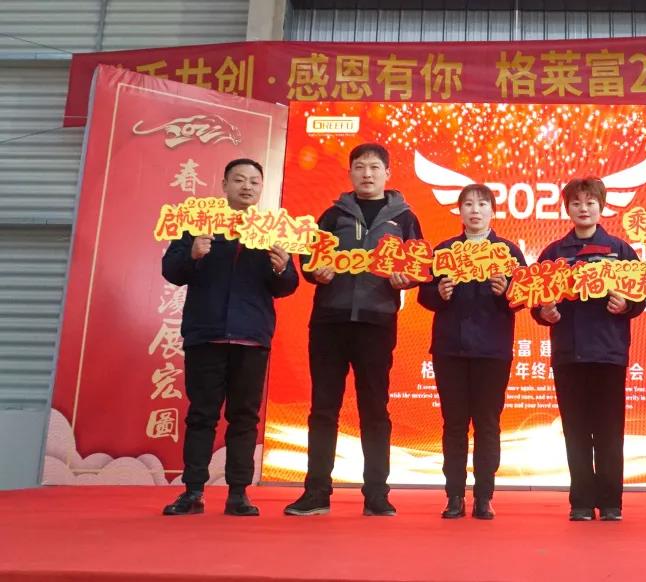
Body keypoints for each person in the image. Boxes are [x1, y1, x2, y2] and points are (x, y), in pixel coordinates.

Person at [285, 143, 423, 517]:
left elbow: (418, 263)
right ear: (349, 173)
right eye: (360, 167)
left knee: (374, 409)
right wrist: (316, 271)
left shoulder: (404, 218)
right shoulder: (332, 215)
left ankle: (377, 494)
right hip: (330, 322)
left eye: (374, 167)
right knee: (323, 409)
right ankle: (316, 492)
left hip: (376, 323)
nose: (367, 173)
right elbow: (310, 257)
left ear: (387, 173)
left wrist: (406, 279)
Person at [161, 158, 299, 517]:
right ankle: (192, 491)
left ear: (261, 188)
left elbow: (288, 286)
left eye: (254, 181)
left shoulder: (272, 229)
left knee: (245, 418)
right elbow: (171, 270)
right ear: (224, 185)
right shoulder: (199, 222)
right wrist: (193, 255)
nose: (247, 186)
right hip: (206, 334)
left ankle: (239, 493)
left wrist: (282, 266)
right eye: (239, 180)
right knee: (201, 415)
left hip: (251, 337)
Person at [532, 177, 646, 522]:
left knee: (610, 431)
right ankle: (580, 501)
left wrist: (626, 305)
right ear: (567, 208)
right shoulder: (554, 253)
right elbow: (537, 301)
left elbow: (640, 298)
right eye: (577, 203)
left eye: (590, 203)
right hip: (569, 354)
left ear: (601, 206)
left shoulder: (620, 250)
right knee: (576, 431)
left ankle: (611, 502)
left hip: (609, 353)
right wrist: (545, 312)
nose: (584, 209)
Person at [418, 184, 527, 520]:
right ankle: (454, 496)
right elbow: (424, 295)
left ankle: (484, 497)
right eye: (468, 204)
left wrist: (506, 292)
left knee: (487, 423)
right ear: (460, 211)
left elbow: (524, 297)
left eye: (482, 204)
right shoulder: (445, 251)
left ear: (493, 210)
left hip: (492, 351)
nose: (475, 210)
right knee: (453, 424)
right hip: (450, 349)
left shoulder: (508, 252)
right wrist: (439, 293)